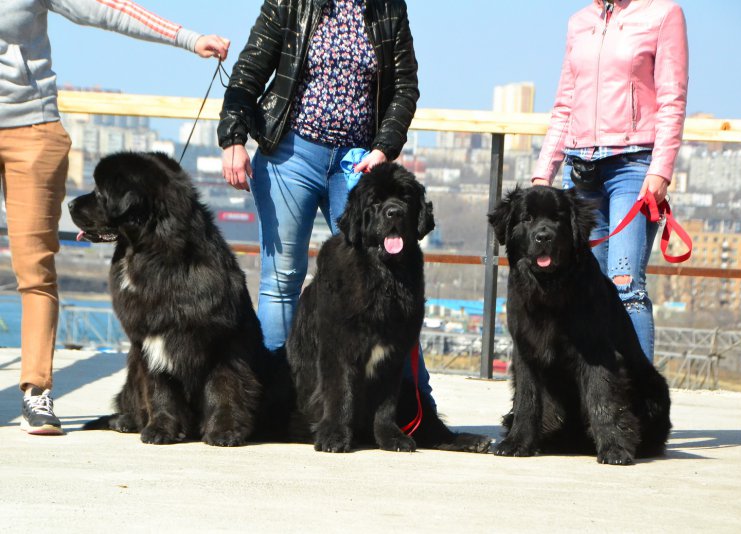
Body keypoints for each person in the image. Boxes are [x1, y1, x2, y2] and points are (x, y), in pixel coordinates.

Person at [1, 0, 230, 435]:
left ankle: (36, 390)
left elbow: (106, 9)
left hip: (30, 128)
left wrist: (188, 38)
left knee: (34, 265)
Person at [218, 0, 436, 404]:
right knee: (281, 281)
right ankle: (271, 403)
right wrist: (233, 138)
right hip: (290, 154)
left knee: (387, 279)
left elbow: (405, 87)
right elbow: (248, 71)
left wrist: (384, 148)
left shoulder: (388, 7)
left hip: (358, 162)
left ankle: (415, 402)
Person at [531, 0, 688, 361]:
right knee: (582, 288)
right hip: (580, 169)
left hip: (633, 166)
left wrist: (661, 170)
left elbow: (672, 99)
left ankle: (640, 392)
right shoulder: (579, 21)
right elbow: (565, 104)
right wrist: (543, 174)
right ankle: (595, 391)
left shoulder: (662, 14)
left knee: (625, 284)